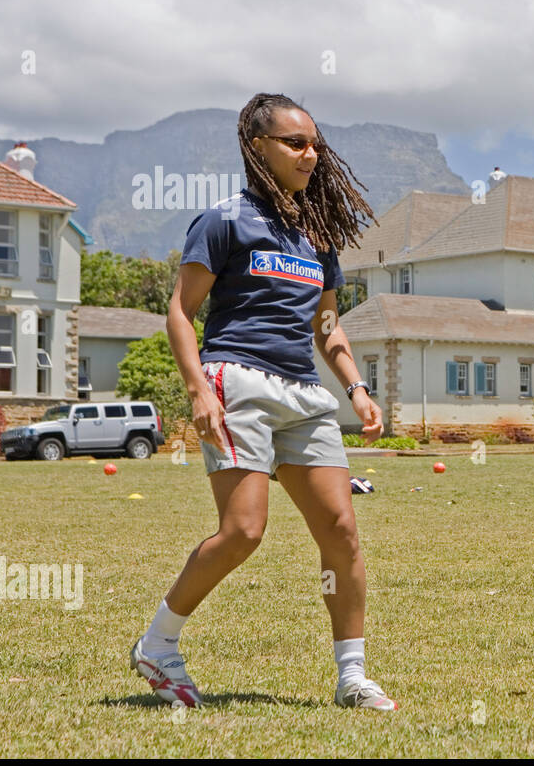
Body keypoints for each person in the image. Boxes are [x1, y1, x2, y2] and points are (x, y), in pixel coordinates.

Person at [129, 93, 396, 710]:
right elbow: (179, 310)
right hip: (236, 380)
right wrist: (198, 388)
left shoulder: (318, 236)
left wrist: (356, 390)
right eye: (294, 143)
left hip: (304, 392)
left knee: (342, 532)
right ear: (258, 148)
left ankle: (352, 676)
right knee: (244, 531)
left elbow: (327, 325)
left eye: (314, 144)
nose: (310, 153)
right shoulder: (226, 220)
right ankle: (158, 644)